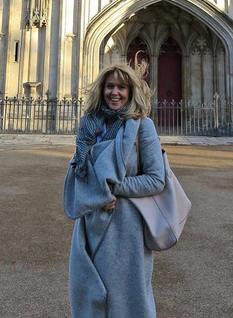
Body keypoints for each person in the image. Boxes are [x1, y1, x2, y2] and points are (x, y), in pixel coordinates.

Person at [64, 63, 165, 318]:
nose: (115, 93)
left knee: (127, 298)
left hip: (125, 229)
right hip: (91, 222)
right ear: (102, 89)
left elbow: (156, 179)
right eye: (110, 86)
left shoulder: (143, 126)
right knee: (87, 291)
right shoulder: (89, 126)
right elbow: (79, 169)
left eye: (121, 87)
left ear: (131, 92)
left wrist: (113, 189)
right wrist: (93, 194)